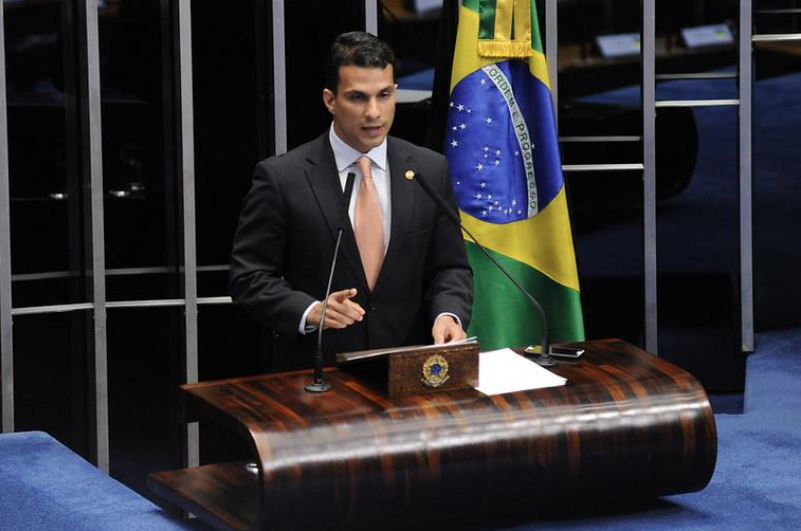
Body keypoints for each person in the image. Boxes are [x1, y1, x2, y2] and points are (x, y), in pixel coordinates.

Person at [229, 31, 472, 371]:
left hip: (411, 370)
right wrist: (310, 311)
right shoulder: (282, 177)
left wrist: (448, 314)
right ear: (330, 100)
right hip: (319, 373)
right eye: (358, 98)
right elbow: (248, 277)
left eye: (384, 95)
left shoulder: (429, 169)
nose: (374, 112)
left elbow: (449, 267)